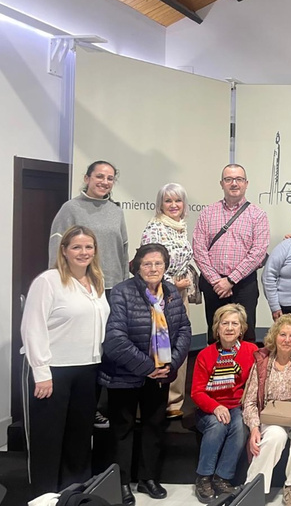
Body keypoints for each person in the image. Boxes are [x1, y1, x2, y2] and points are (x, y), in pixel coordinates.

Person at [100, 243, 191, 504]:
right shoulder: (122, 292)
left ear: (165, 267)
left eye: (158, 264)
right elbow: (115, 339)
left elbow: (184, 329)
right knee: (123, 429)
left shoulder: (171, 291)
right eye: (147, 264)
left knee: (154, 427)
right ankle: (121, 482)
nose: (153, 268)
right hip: (125, 375)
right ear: (137, 267)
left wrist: (170, 364)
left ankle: (148, 478)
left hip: (161, 375)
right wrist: (147, 367)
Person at [22, 226, 109, 496]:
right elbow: (32, 326)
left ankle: (74, 492)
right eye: (76, 247)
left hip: (88, 368)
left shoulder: (96, 281)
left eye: (88, 247)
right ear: (64, 251)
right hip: (54, 370)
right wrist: (41, 371)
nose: (83, 252)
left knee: (80, 437)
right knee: (49, 438)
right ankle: (45, 495)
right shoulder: (48, 281)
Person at [242, 314, 291, 504]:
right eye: (282, 334)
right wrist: (253, 428)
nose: (287, 340)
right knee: (275, 436)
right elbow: (250, 401)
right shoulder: (262, 360)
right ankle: (252, 489)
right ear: (275, 336)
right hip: (270, 416)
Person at [193, 163, 270, 343]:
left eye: (239, 179)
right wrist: (216, 281)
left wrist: (230, 280)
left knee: (245, 332)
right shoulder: (207, 213)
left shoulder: (257, 215)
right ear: (221, 184)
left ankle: (245, 371)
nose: (234, 183)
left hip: (243, 285)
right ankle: (215, 370)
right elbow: (199, 249)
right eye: (229, 179)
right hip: (213, 286)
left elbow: (258, 252)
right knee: (215, 334)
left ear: (246, 183)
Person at [192, 304, 258, 503]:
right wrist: (215, 407)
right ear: (217, 328)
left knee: (238, 426)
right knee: (217, 424)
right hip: (209, 407)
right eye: (225, 323)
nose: (229, 328)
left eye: (234, 324)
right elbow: (197, 392)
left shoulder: (252, 351)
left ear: (242, 329)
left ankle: (222, 478)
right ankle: (203, 477)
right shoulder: (206, 354)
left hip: (238, 406)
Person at [141, 182, 195, 419]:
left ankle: (175, 400)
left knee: (179, 345)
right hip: (158, 294)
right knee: (157, 346)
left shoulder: (181, 227)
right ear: (160, 204)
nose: (173, 205)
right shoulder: (154, 227)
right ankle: (153, 401)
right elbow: (149, 265)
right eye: (168, 201)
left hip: (179, 294)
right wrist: (173, 281)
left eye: (178, 201)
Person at [49, 160, 128, 292]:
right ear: (87, 178)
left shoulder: (117, 211)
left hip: (114, 287)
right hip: (80, 285)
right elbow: (56, 248)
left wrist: (125, 283)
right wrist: (58, 282)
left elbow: (123, 251)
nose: (104, 182)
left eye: (110, 178)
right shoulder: (70, 208)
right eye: (99, 176)